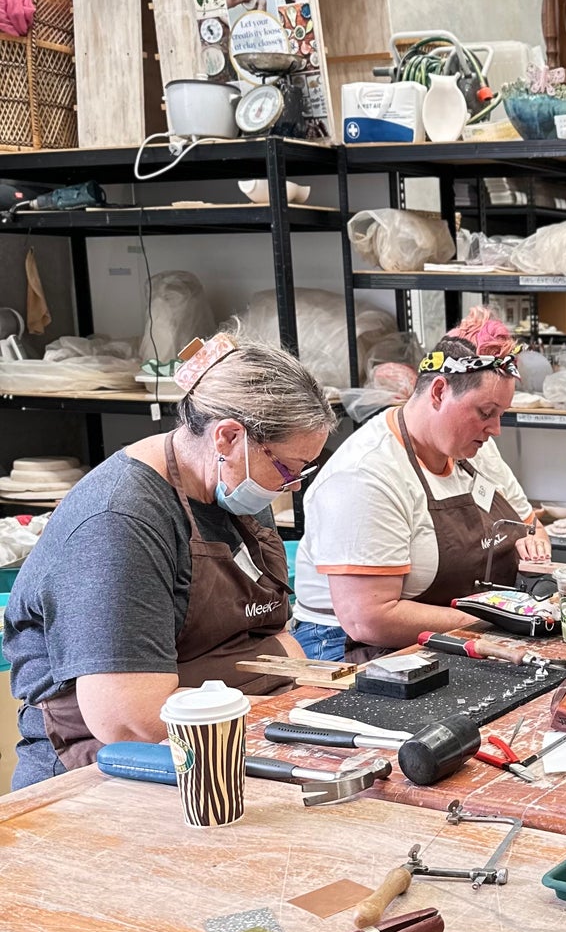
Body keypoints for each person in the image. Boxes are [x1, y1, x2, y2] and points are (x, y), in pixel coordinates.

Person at [3, 334, 333, 789]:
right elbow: (131, 720)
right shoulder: (120, 521)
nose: (293, 485)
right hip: (111, 775)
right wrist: (266, 713)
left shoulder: (232, 487)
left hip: (226, 742)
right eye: (289, 468)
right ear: (229, 436)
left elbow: (278, 636)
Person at [291, 311, 551, 657]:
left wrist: (534, 549)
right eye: (486, 412)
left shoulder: (472, 447)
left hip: (455, 625)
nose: (496, 429)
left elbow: (531, 527)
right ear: (440, 392)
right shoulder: (366, 474)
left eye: (501, 414)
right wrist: (493, 621)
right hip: (353, 645)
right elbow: (370, 619)